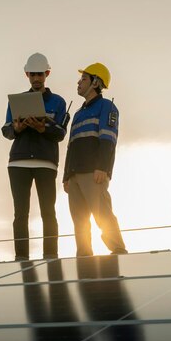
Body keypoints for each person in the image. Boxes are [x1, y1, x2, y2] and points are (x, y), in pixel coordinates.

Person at [1, 53, 67, 261]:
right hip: (18, 162)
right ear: (27, 75)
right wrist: (17, 127)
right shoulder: (16, 102)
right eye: (32, 75)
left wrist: (43, 128)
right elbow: (6, 130)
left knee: (49, 212)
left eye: (40, 74)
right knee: (20, 214)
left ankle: (51, 256)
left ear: (47, 74)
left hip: (46, 162)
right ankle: (21, 258)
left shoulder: (58, 102)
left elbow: (60, 134)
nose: (36, 78)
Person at [62, 62, 128, 256]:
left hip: (94, 173)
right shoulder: (78, 113)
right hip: (74, 175)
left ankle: (118, 249)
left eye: (84, 78)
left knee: (102, 213)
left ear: (96, 82)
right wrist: (66, 176)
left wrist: (102, 167)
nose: (79, 82)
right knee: (79, 220)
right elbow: (71, 146)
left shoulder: (107, 107)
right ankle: (84, 255)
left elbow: (108, 140)